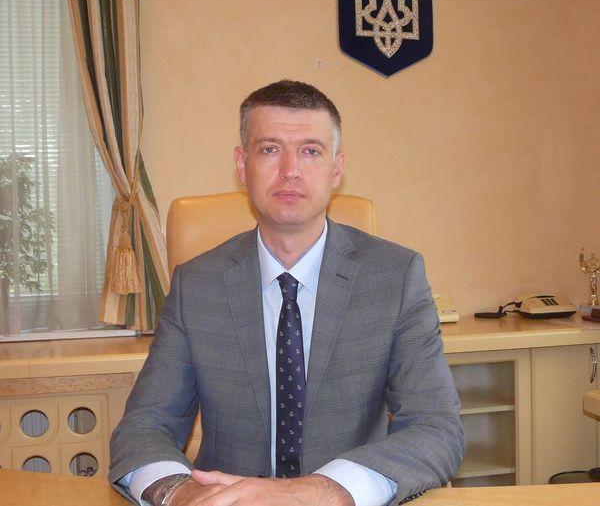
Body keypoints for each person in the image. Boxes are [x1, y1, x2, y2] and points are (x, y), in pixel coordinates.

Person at [109, 80, 465, 506]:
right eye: (269, 149)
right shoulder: (197, 285)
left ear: (337, 168)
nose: (290, 170)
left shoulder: (394, 277)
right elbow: (144, 426)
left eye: (311, 151)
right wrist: (180, 494)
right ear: (242, 165)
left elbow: (436, 427)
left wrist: (322, 490)